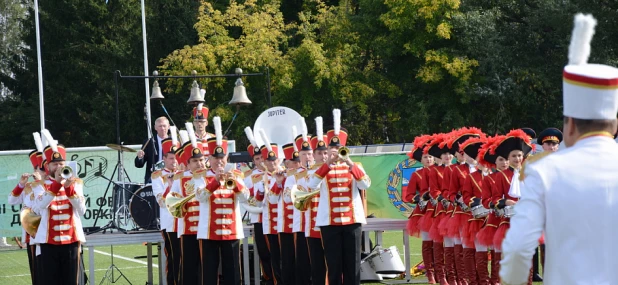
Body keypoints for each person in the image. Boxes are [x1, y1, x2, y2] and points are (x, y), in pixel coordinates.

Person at [501, 13, 618, 285]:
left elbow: (519, 247)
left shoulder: (544, 170)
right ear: (614, 125)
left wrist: (512, 279)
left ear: (570, 125)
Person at [307, 109, 371, 285]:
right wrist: (327, 164)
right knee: (334, 265)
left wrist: (349, 163)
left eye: (338, 148)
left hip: (352, 222)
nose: (335, 151)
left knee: (353, 264)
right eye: (332, 148)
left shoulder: (355, 165)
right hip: (329, 223)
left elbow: (365, 184)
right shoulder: (320, 168)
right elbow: (312, 185)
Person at [195, 116, 251, 285]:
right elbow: (200, 197)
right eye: (216, 158)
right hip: (208, 231)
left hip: (231, 231)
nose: (219, 162)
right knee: (209, 273)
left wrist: (232, 182)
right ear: (209, 159)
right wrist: (215, 182)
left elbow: (245, 197)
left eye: (222, 158)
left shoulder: (236, 174)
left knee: (233, 272)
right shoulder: (202, 176)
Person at [33, 130, 87, 285]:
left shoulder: (75, 183)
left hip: (71, 241)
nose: (58, 167)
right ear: (47, 166)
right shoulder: (39, 185)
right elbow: (40, 206)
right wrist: (56, 184)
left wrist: (69, 189)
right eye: (55, 164)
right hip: (48, 243)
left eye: (61, 164)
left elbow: (82, 210)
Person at [169, 123, 205, 285]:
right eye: (195, 161)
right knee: (189, 267)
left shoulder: (211, 176)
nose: (199, 164)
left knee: (207, 268)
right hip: (188, 228)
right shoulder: (180, 178)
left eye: (201, 160)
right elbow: (172, 200)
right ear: (188, 163)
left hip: (206, 229)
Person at [8, 136, 45, 285]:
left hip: (49, 234)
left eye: (40, 168)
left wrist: (38, 183)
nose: (38, 171)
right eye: (36, 168)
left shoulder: (51, 185)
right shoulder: (29, 186)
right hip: (33, 235)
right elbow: (12, 200)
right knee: (36, 274)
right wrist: (21, 185)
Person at [242, 127, 274, 284]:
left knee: (277, 251)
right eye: (257, 159)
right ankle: (267, 278)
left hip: (275, 218)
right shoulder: (248, 176)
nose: (260, 161)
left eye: (262, 157)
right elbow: (245, 197)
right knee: (263, 251)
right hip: (258, 217)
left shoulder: (276, 171)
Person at [402, 134, 434, 282]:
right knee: (428, 242)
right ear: (421, 159)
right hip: (424, 213)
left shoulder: (443, 172)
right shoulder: (417, 174)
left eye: (430, 157)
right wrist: (420, 199)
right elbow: (407, 196)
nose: (428, 159)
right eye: (425, 157)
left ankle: (443, 271)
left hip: (442, 211)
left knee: (443, 244)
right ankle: (430, 272)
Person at [254, 131, 285, 285]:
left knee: (287, 258)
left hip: (285, 223)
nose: (272, 164)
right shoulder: (262, 178)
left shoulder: (286, 174)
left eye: (274, 161)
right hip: (269, 223)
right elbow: (258, 202)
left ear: (279, 160)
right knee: (273, 257)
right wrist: (260, 190)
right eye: (268, 161)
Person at [151, 127, 180, 285]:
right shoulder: (157, 176)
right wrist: (170, 184)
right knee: (174, 257)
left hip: (185, 222)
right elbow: (161, 201)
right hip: (170, 223)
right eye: (170, 158)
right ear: (164, 158)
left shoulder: (184, 173)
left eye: (176, 158)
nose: (174, 161)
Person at [304, 117, 329, 285]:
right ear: (314, 154)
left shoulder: (335, 168)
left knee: (334, 263)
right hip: (313, 224)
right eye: (319, 153)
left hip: (331, 223)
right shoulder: (307, 173)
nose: (323, 155)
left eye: (325, 152)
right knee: (317, 265)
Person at [292, 118, 313, 285]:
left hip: (318, 223)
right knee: (303, 262)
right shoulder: (292, 174)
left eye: (310, 153)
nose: (308, 156)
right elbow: (287, 197)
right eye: (304, 153)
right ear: (299, 155)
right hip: (301, 223)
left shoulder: (320, 170)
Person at [135, 116, 170, 183]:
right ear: (155, 128)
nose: (162, 128)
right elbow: (139, 165)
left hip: (170, 177)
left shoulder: (174, 142)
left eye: (164, 126)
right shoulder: (149, 142)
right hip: (153, 177)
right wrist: (140, 157)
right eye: (160, 126)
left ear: (168, 126)